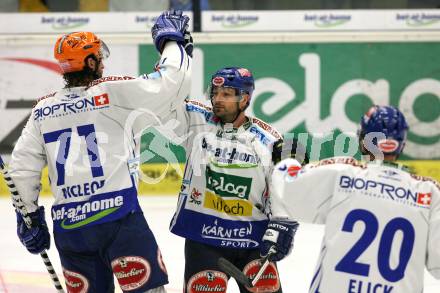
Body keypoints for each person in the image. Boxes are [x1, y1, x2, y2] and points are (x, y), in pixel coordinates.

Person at [8, 10, 192, 293]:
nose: (103, 62)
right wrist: (172, 42)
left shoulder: (42, 110)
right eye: (99, 56)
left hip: (71, 229)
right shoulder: (112, 93)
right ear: (91, 61)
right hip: (120, 221)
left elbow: (22, 167)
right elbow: (172, 84)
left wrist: (28, 216)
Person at [267, 105, 440, 292]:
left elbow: (287, 188)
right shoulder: (430, 193)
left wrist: (289, 159)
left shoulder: (344, 174)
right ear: (402, 143)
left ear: (363, 141)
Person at [164, 67, 301, 293]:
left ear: (244, 99)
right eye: (215, 92)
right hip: (204, 237)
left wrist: (283, 224)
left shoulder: (268, 139)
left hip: (254, 241)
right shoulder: (196, 119)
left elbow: (282, 188)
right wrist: (175, 55)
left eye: (226, 95)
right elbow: (164, 99)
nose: (217, 99)